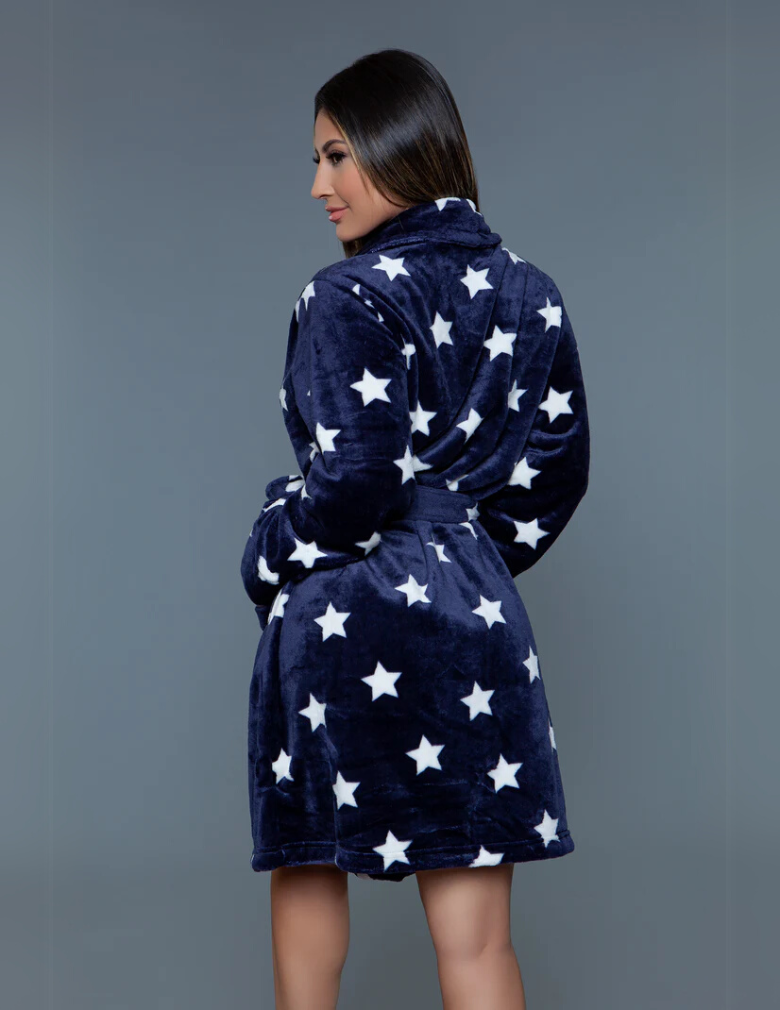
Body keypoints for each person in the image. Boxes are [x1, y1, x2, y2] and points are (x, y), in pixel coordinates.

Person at [240, 48, 590, 1010]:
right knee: (478, 946)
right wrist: (459, 560)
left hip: (343, 620)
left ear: (398, 145)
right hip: (475, 623)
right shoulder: (532, 290)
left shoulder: (347, 294)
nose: (319, 186)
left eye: (336, 156)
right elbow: (557, 474)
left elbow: (356, 479)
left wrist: (269, 551)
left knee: (313, 857)